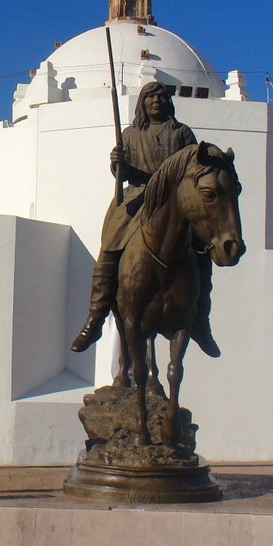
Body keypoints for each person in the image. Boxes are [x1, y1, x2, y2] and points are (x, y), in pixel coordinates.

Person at [70, 81, 219, 357]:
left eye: (162, 97)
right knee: (110, 246)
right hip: (137, 196)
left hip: (174, 200)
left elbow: (196, 165)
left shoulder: (181, 133)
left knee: (202, 249)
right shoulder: (131, 134)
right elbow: (121, 172)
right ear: (142, 102)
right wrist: (118, 163)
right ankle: (96, 317)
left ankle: (200, 320)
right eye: (151, 97)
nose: (157, 101)